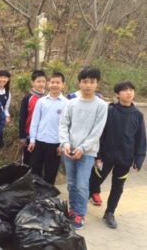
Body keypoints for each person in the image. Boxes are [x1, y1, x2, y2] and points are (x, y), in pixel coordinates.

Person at [89, 81, 146, 229]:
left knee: (118, 187)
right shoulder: (110, 111)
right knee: (95, 180)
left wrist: (139, 158)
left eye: (131, 90)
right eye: (125, 90)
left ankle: (110, 212)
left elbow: (141, 138)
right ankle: (79, 207)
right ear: (117, 94)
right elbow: (100, 133)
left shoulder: (138, 115)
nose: (129, 93)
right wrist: (98, 154)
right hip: (105, 156)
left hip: (125, 159)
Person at [59, 67, 108, 229]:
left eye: (92, 82)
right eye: (85, 81)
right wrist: (66, 143)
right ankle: (72, 210)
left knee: (82, 184)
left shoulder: (101, 105)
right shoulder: (71, 103)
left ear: (97, 84)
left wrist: (83, 147)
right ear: (79, 83)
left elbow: (97, 130)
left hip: (87, 152)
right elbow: (63, 125)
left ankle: (80, 214)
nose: (88, 85)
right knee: (71, 183)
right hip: (69, 150)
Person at [28, 72, 68, 185]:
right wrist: (32, 140)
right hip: (39, 142)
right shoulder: (42, 101)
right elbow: (35, 122)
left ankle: (47, 197)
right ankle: (35, 196)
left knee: (51, 173)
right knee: (35, 171)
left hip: (55, 144)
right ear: (49, 83)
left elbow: (67, 126)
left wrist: (62, 144)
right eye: (52, 82)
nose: (55, 85)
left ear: (63, 85)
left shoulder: (67, 103)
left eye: (58, 82)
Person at [19, 70, 46, 165]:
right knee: (27, 161)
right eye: (38, 81)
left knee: (38, 163)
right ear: (33, 82)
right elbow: (22, 118)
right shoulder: (27, 98)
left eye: (43, 81)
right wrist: (22, 136)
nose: (41, 84)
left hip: (42, 136)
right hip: (28, 135)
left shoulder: (47, 98)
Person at [0, 70, 12, 148]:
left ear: (8, 79)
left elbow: (5, 109)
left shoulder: (8, 94)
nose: (3, 79)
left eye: (5, 77)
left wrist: (7, 116)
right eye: (0, 77)